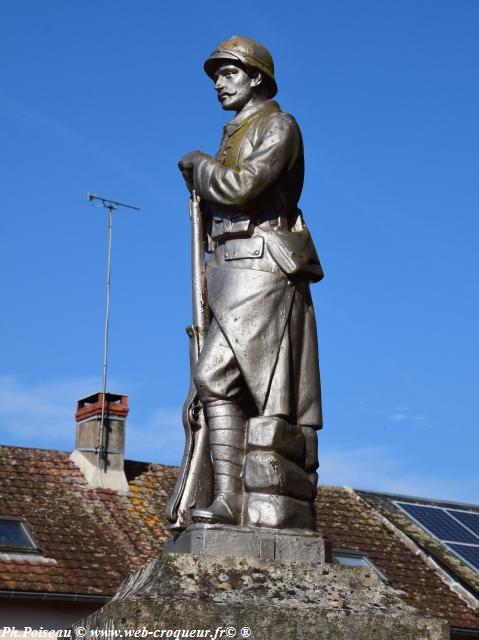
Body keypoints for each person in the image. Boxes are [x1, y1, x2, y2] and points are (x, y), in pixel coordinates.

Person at [178, 36, 323, 526]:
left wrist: (200, 168)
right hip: (230, 267)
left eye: (229, 73)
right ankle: (229, 498)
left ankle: (231, 499)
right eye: (217, 75)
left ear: (256, 77)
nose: (219, 83)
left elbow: (242, 188)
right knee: (220, 384)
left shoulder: (278, 127)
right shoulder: (233, 132)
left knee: (215, 375)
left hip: (261, 267)